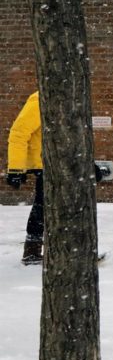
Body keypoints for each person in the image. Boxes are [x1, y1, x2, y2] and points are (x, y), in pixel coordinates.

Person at [6, 91, 44, 264]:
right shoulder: (40, 99)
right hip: (47, 164)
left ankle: (75, 251)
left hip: (65, 163)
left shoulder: (70, 98)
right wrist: (16, 169)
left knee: (50, 208)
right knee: (43, 208)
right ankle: (32, 252)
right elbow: (19, 133)